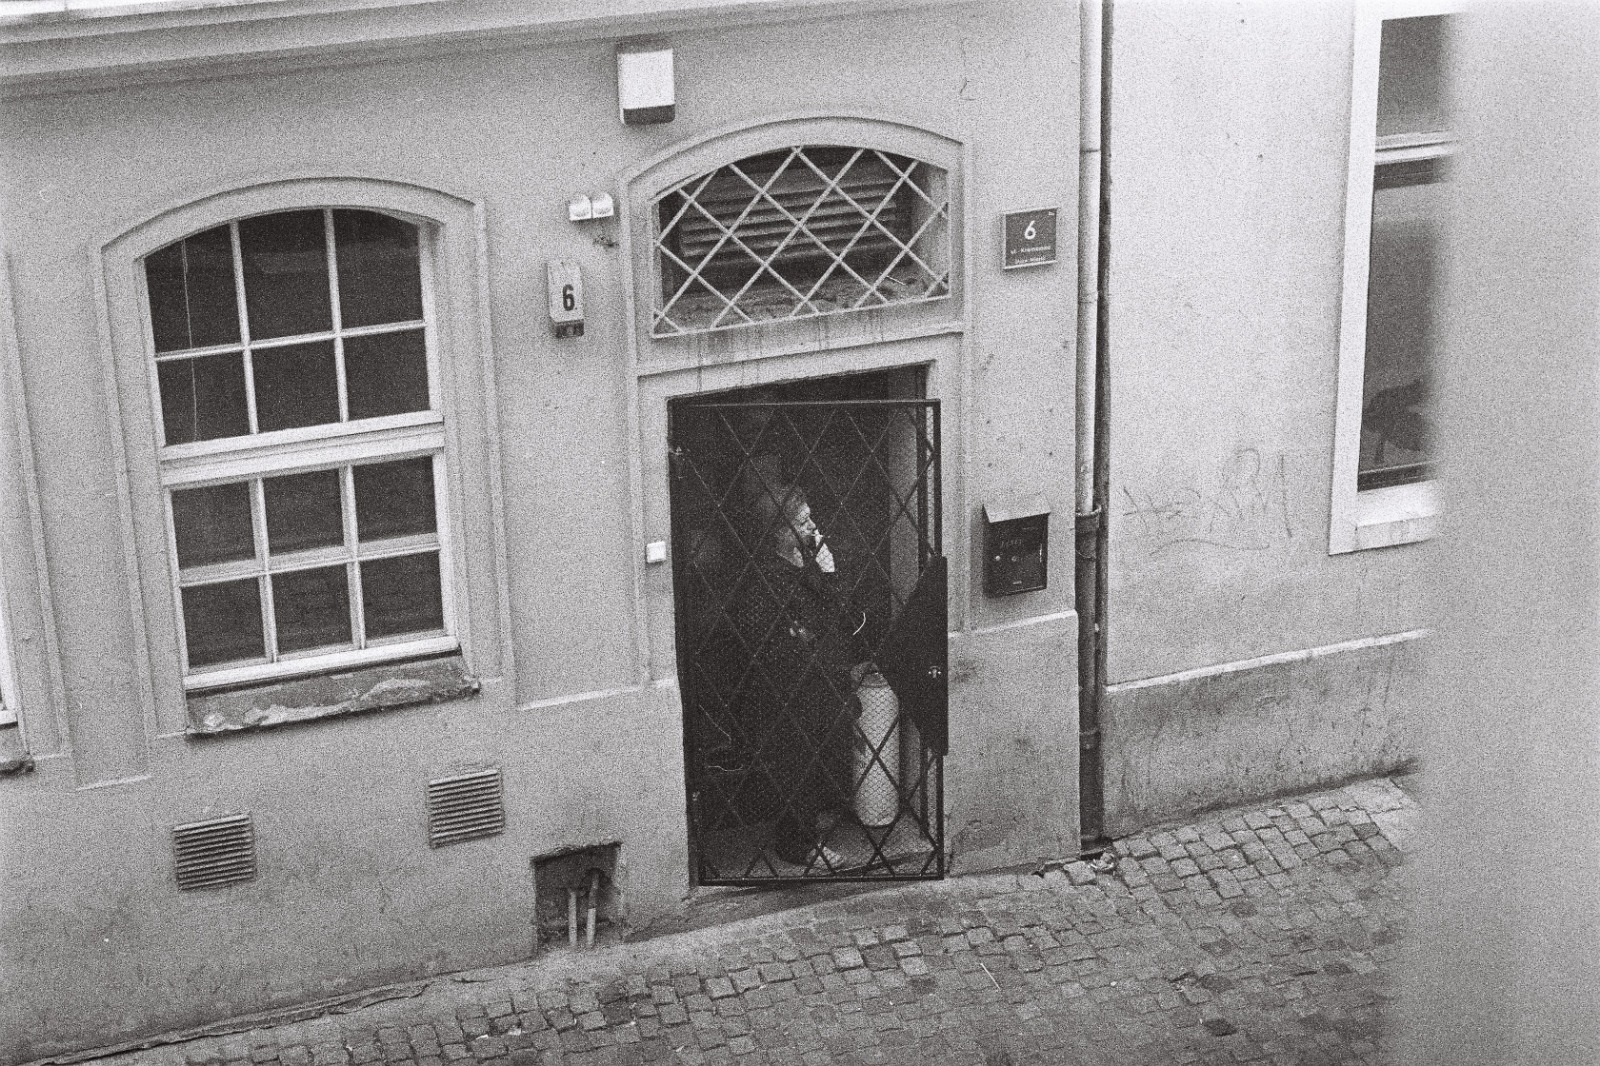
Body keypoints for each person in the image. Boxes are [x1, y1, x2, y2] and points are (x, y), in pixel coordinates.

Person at [734, 466, 867, 871]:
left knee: (817, 762)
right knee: (797, 767)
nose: (814, 525)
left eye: (811, 516)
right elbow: (791, 633)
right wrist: (822, 577)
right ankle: (798, 845)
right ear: (781, 530)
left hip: (820, 683)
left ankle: (809, 827)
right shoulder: (769, 578)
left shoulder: (804, 562)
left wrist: (827, 572)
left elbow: (840, 617)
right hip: (792, 689)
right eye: (804, 520)